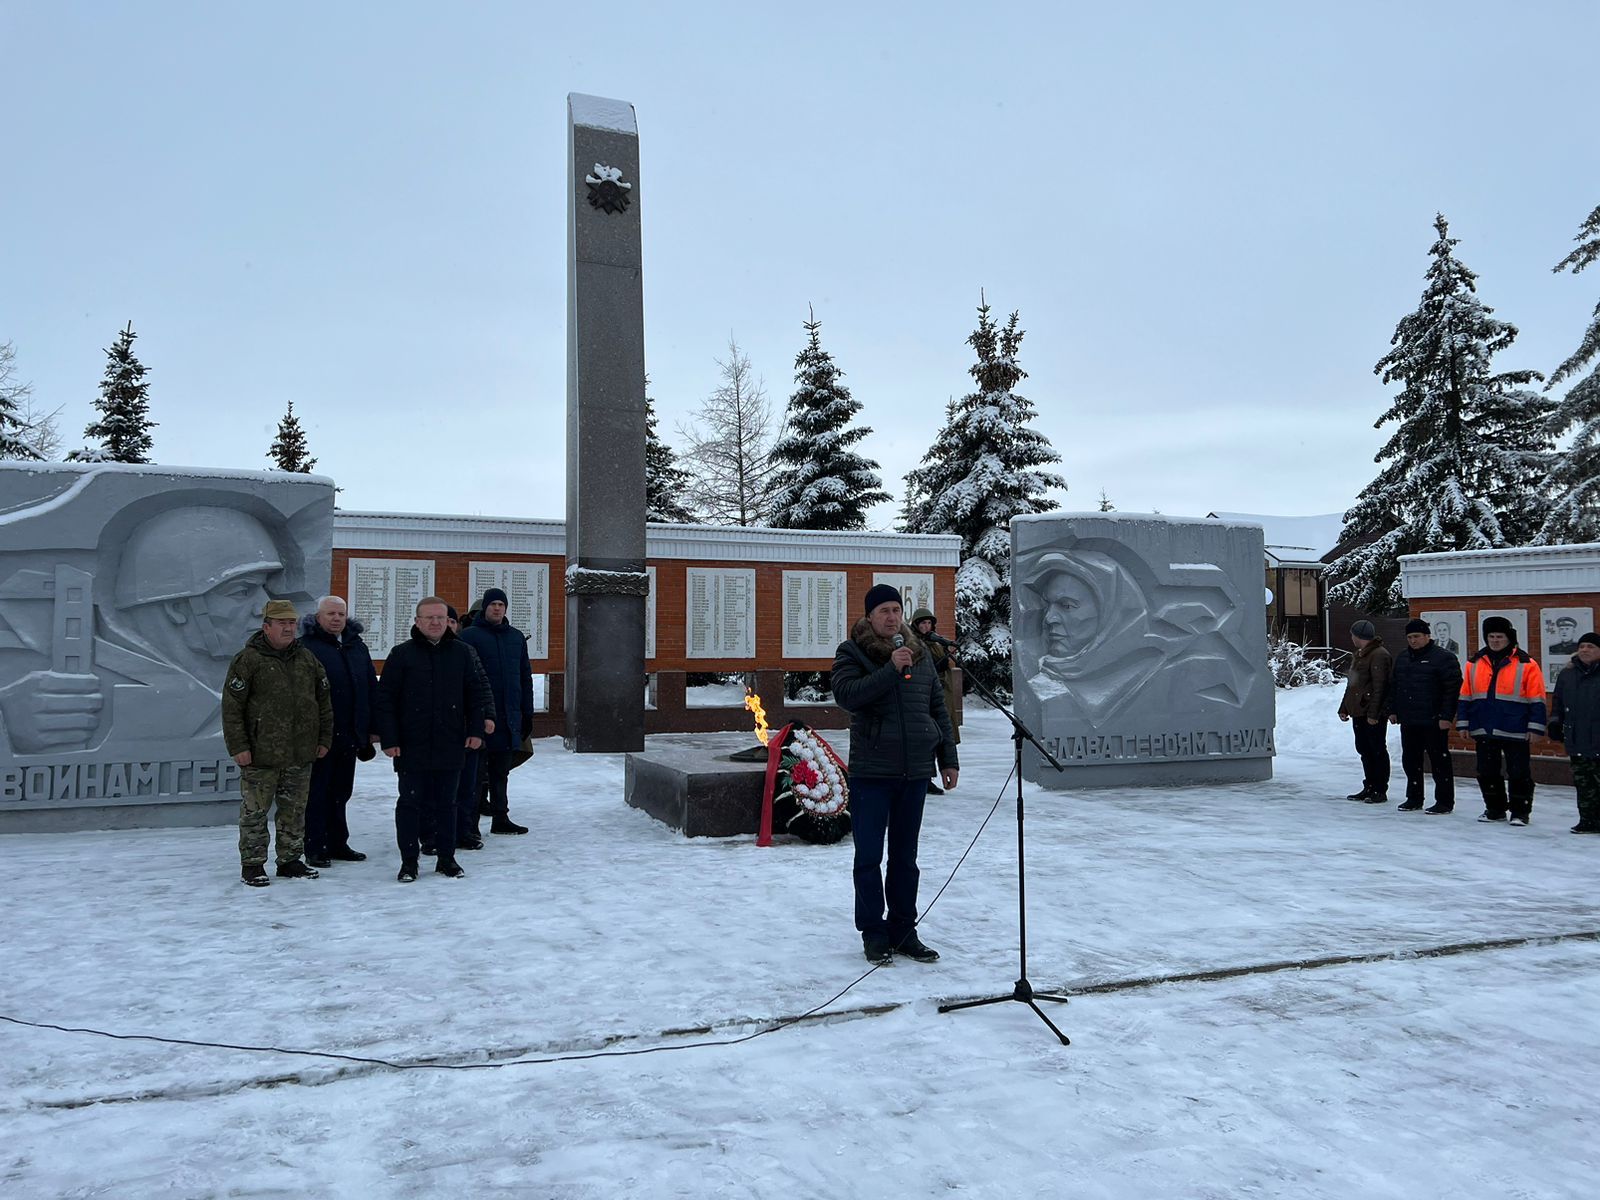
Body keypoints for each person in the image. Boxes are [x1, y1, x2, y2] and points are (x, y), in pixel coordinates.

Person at [831, 583, 959, 966]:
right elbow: (848, 695)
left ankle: (904, 930)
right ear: (869, 616)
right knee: (869, 857)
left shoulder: (918, 655)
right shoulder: (852, 652)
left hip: (914, 772)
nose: (891, 617)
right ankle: (873, 933)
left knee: (905, 858)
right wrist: (890, 669)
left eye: (896, 610)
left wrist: (947, 758)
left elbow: (938, 707)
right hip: (873, 772)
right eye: (884, 610)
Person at [375, 597, 491, 882]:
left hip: (451, 742)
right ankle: (409, 862)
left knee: (447, 803)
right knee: (410, 804)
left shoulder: (462, 653)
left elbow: (475, 695)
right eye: (429, 618)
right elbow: (385, 699)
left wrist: (475, 731)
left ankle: (446, 858)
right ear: (417, 622)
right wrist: (389, 739)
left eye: (440, 617)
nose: (436, 623)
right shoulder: (402, 654)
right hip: (411, 744)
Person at [221, 599, 333, 887]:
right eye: (281, 623)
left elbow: (323, 703)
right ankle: (253, 864)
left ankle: (290, 859)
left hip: (300, 753)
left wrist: (322, 739)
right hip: (260, 754)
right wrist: (239, 747)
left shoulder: (307, 659)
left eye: (291, 623)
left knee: (294, 810)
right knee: (255, 812)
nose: (288, 628)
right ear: (266, 626)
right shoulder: (248, 660)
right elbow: (232, 707)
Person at [298, 596, 380, 867]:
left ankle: (337, 842)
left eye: (340, 614)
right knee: (317, 792)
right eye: (330, 613)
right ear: (318, 617)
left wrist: (371, 728)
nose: (336, 618)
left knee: (341, 791)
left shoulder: (356, 646)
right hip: (320, 736)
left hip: (350, 734)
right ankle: (315, 845)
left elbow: (370, 686)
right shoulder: (307, 648)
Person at [459, 587, 534, 837]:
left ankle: (501, 817)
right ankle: (469, 824)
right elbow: (463, 679)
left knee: (501, 771)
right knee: (476, 773)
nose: (497, 608)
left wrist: (527, 713)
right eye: (493, 604)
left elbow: (524, 677)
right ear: (485, 607)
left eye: (501, 604)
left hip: (508, 715)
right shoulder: (469, 637)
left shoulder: (515, 637)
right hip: (480, 716)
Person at [1459, 616, 1547, 826]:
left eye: (1500, 636)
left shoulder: (1527, 664)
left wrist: (1535, 727)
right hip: (1484, 726)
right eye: (1491, 636)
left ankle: (1520, 812)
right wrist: (1463, 722)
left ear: (1509, 638)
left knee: (1519, 772)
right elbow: (1465, 695)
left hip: (1515, 727)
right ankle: (1494, 808)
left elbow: (1537, 698)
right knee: (1487, 771)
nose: (1495, 640)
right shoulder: (1474, 663)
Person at [1388, 618, 1461, 814]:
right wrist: (1393, 710)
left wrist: (1446, 716)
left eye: (1417, 636)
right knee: (1411, 761)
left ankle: (1444, 801)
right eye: (1410, 637)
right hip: (1409, 719)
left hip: (1434, 720)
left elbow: (1451, 690)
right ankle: (1414, 797)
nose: (1413, 640)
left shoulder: (1444, 658)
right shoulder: (1403, 658)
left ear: (1428, 636)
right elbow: (1395, 686)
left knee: (1439, 762)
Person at [1548, 632, 1600, 834]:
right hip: (1577, 737)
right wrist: (1555, 723)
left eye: (1591, 647)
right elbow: (1558, 702)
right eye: (1582, 646)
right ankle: (1587, 820)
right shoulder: (1567, 674)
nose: (1585, 650)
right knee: (1583, 782)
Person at [1338, 620, 1392, 804]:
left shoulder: (1379, 655)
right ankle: (1369, 786)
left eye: (1352, 634)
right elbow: (1352, 684)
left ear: (1358, 635)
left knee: (1376, 749)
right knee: (1364, 749)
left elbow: (1381, 686)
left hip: (1370, 713)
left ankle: (1379, 789)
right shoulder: (1359, 655)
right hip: (1358, 711)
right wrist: (1344, 707)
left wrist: (1374, 714)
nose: (1351, 638)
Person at [911, 607, 960, 795]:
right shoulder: (914, 642)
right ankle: (926, 777)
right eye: (922, 623)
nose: (926, 626)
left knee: (941, 734)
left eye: (929, 623)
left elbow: (944, 664)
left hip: (942, 693)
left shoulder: (935, 641)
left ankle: (933, 775)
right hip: (926, 695)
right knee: (927, 736)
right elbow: (923, 667)